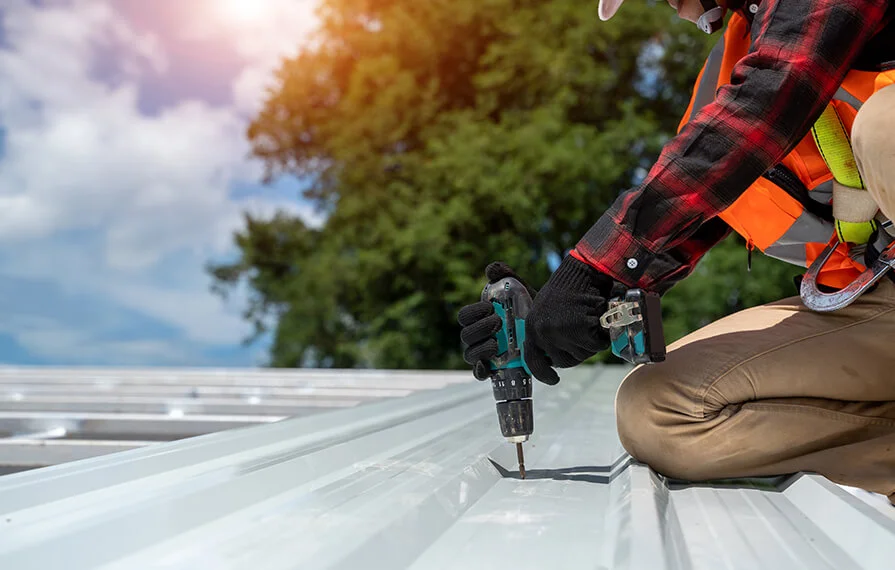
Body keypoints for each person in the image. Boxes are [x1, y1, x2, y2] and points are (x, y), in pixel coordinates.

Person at [458, 0, 895, 503]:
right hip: (877, 301)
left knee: (884, 126)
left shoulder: (767, 73)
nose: (668, 5)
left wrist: (596, 265)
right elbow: (687, 205)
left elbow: (780, 86)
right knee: (657, 410)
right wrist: (563, 308)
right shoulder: (730, 70)